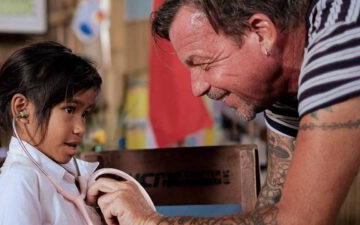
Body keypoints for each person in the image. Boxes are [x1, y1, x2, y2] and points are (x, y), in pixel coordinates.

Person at [86, 0, 360, 224]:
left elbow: (298, 221)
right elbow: (271, 208)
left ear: (261, 33)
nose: (197, 88)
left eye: (204, 63)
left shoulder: (342, 39)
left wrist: (150, 222)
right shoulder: (280, 83)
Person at [0, 41, 104, 225]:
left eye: (84, 113)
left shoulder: (71, 178)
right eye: (69, 110)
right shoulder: (18, 184)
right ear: (22, 109)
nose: (81, 128)